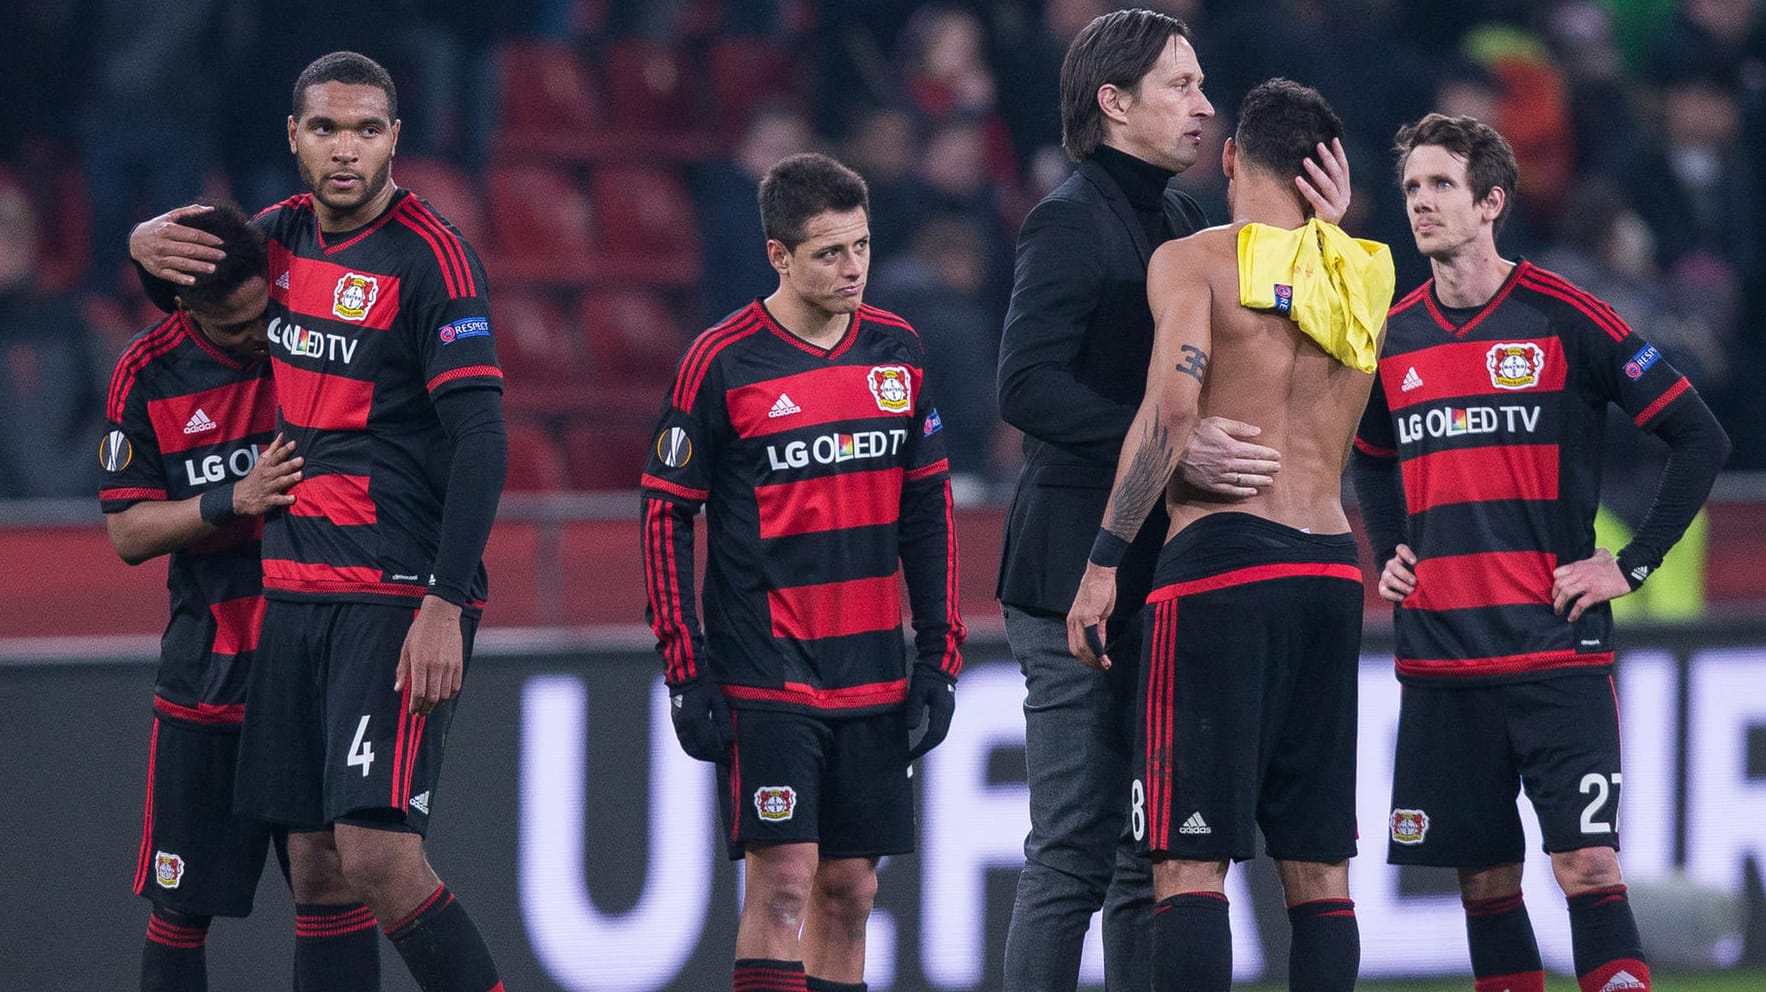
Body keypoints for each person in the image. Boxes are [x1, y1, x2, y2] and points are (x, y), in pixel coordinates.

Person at [129, 51, 508, 992]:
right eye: (328, 129)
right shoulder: (277, 237)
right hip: (291, 593)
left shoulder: (432, 257)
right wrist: (143, 245)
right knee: (317, 867)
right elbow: (200, 289)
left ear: (395, 142)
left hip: (389, 594)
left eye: (369, 129)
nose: (348, 150)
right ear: (295, 137)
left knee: (379, 859)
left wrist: (445, 605)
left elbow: (483, 441)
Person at [993, 11, 1352, 990]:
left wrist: (1324, 229)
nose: (1202, 107)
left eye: (1201, 88)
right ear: (1112, 103)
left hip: (1170, 568)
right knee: (1072, 842)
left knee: (1138, 851)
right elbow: (1022, 387)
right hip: (1074, 558)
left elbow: (1325, 335)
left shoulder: (1186, 227)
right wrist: (1169, 432)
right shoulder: (1067, 219)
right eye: (1179, 87)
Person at [1350, 113, 1732, 992]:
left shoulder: (1563, 317)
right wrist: (1391, 551)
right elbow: (1370, 458)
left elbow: (1697, 435)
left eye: (1441, 185)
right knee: (1484, 883)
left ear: (1492, 201)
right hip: (1443, 660)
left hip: (1555, 652)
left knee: (1588, 868)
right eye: (1412, 187)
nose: (1422, 202)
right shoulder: (1394, 337)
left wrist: (1630, 565)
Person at [1067, 78, 1392, 992]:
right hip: (1331, 565)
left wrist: (1102, 563)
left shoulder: (1195, 260)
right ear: (1323, 172)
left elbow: (1172, 412)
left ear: (1232, 159)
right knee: (1320, 867)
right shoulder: (1364, 274)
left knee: (1186, 862)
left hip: (1222, 564)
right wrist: (1339, 229)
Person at [641, 152, 964, 992]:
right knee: (782, 883)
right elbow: (665, 512)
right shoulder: (722, 361)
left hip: (873, 672)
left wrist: (937, 656)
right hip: (767, 672)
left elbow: (928, 513)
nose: (852, 267)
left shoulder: (899, 350)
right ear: (779, 256)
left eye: (860, 245)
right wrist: (686, 669)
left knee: (850, 893)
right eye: (829, 252)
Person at [102, 200, 315, 992]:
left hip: (307, 672)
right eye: (236, 327)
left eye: (265, 314)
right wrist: (234, 500)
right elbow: (127, 533)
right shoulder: (146, 371)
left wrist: (136, 234)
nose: (260, 336)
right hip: (208, 679)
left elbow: (329, 203)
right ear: (185, 307)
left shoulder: (304, 332)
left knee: (334, 895)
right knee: (179, 909)